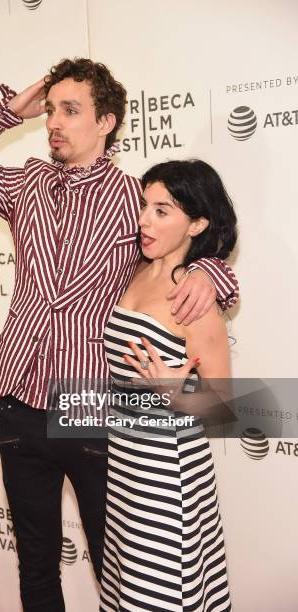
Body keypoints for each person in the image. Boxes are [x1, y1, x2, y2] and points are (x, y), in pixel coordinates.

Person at [0, 59, 238, 612]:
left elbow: (189, 244)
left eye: (71, 110)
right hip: (19, 396)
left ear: (107, 121)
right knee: (35, 562)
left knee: (117, 567)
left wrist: (215, 273)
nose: (54, 123)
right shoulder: (26, 185)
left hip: (92, 404)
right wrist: (4, 112)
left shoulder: (133, 202)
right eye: (49, 110)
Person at [100, 160, 236, 612]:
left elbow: (223, 403)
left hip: (167, 470)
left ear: (197, 223)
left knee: (159, 592)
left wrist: (175, 391)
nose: (144, 219)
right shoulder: (138, 270)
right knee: (126, 589)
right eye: (144, 206)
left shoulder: (194, 297)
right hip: (125, 462)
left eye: (163, 210)